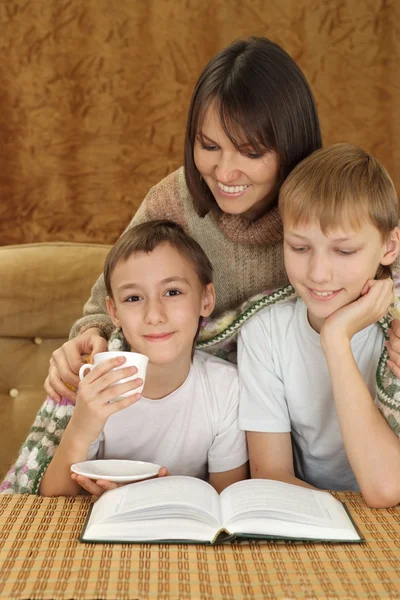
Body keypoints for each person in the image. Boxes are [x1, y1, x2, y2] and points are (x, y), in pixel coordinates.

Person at [45, 35, 323, 402]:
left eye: (250, 152)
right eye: (209, 147)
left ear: (292, 145)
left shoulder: (331, 197)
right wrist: (88, 338)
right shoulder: (174, 200)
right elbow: (104, 306)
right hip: (198, 413)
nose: (224, 172)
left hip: (302, 406)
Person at [1, 221, 248, 496]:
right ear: (113, 312)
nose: (154, 315)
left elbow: (227, 499)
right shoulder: (96, 384)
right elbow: (53, 498)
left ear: (206, 299)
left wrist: (154, 495)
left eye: (173, 292)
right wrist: (83, 422)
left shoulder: (227, 389)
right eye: (133, 298)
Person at [236, 144, 400, 509]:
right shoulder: (265, 333)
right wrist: (336, 337)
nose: (318, 274)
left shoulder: (395, 334)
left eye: (344, 251)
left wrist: (337, 341)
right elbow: (271, 474)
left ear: (389, 246)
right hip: (315, 511)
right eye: (299, 247)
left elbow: (387, 487)